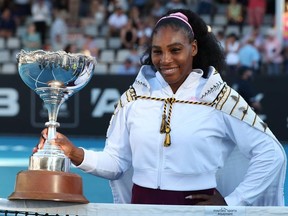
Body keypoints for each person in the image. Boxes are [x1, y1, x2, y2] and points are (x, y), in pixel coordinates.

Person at [35, 9, 286, 206]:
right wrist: (74, 153)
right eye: (158, 52)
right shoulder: (135, 98)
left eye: (175, 50)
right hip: (142, 207)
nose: (165, 60)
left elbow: (271, 155)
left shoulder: (218, 97)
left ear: (194, 49)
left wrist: (233, 202)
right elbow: (116, 164)